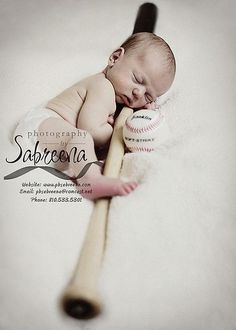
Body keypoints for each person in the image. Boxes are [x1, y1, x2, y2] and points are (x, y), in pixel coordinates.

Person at [15, 32, 176, 200]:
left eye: (148, 96)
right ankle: (90, 182)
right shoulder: (103, 86)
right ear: (115, 58)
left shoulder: (115, 96)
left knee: (82, 144)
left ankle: (85, 171)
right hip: (39, 126)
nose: (138, 93)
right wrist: (118, 132)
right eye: (137, 79)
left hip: (55, 140)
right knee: (81, 138)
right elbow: (90, 130)